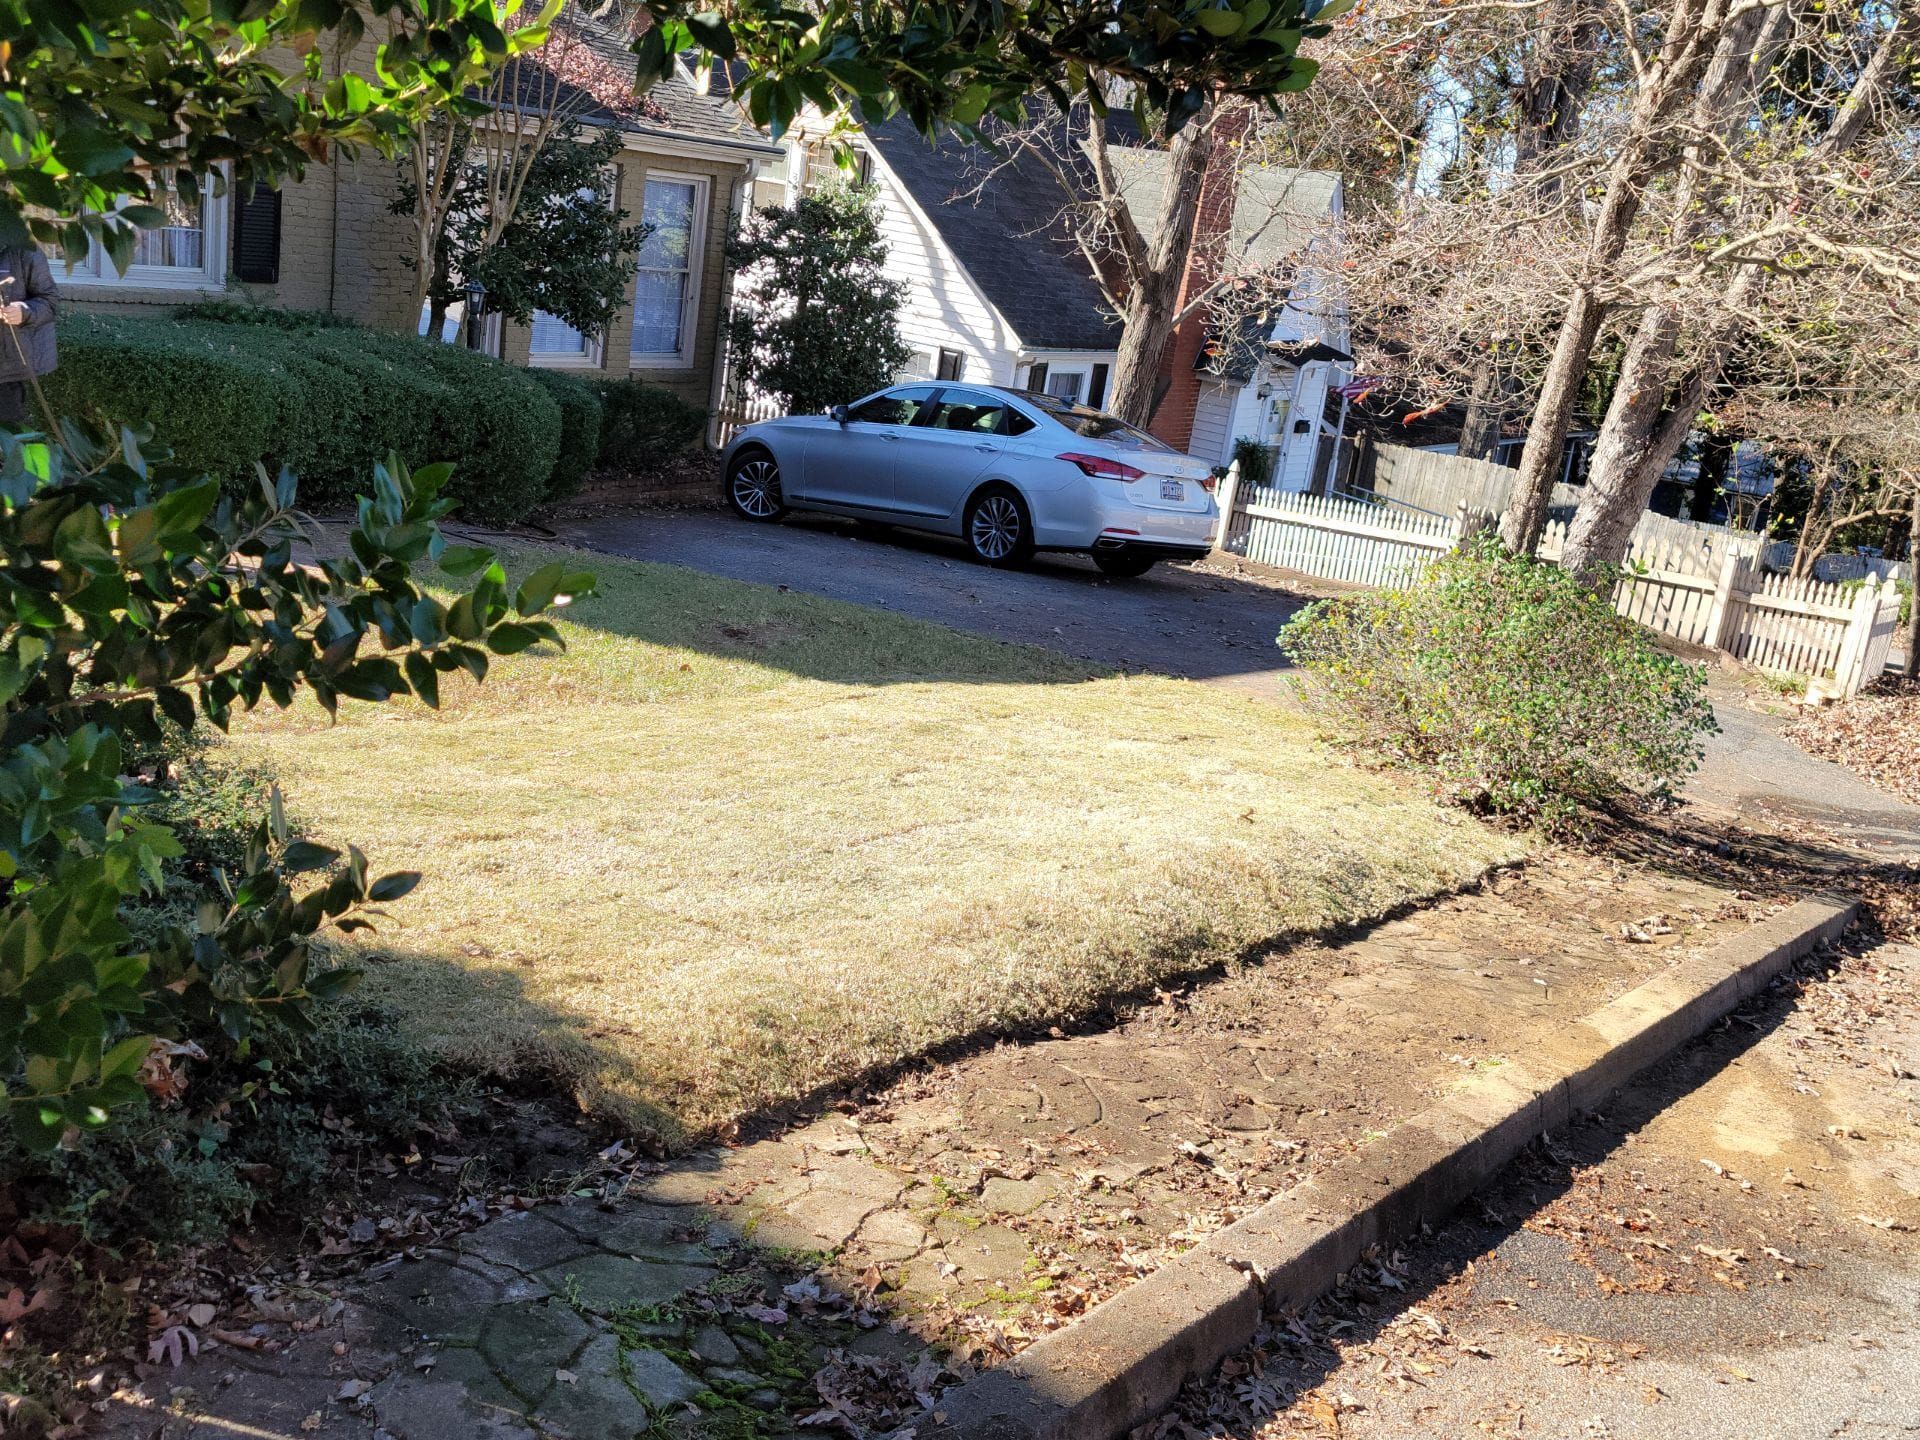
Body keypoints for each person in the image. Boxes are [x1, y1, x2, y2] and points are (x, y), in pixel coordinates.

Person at [0, 243, 59, 427]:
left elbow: (50, 302)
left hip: (8, 373)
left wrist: (24, 312)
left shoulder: (23, 249)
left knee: (9, 438)